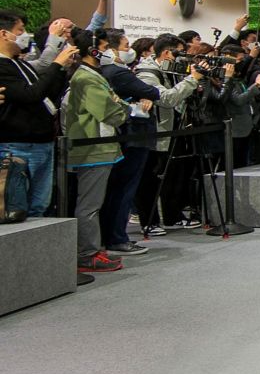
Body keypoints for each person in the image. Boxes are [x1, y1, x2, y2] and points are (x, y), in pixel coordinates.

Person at [64, 29, 134, 273]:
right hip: (92, 147)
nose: (108, 53)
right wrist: (124, 109)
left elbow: (114, 104)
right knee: (89, 204)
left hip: (98, 146)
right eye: (104, 48)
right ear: (93, 50)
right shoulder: (87, 78)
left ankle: (91, 249)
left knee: (93, 202)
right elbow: (109, 111)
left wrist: (120, 106)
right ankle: (88, 253)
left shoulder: (90, 76)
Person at [0, 10, 76, 217]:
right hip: (17, 146)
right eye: (20, 30)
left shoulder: (21, 64)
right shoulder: (3, 67)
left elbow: (46, 93)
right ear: (4, 34)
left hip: (42, 142)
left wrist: (61, 70)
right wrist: (56, 64)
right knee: (17, 207)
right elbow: (31, 94)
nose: (25, 35)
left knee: (39, 207)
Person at [133, 35, 204, 234]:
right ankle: (149, 221)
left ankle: (173, 216)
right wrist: (192, 79)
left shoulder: (170, 69)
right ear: (166, 53)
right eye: (179, 53)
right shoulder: (146, 72)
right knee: (150, 179)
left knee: (174, 175)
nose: (182, 58)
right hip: (155, 132)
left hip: (173, 128)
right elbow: (166, 99)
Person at [98, 29, 160, 257]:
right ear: (111, 49)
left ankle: (112, 236)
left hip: (126, 135)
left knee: (119, 188)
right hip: (132, 136)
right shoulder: (118, 72)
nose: (129, 50)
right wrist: (144, 94)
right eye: (126, 46)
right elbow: (151, 91)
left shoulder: (109, 72)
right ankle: (116, 237)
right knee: (124, 189)